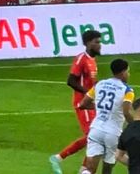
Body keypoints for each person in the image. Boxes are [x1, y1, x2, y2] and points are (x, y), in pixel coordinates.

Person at [50, 30, 103, 173]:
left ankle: (83, 169)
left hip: (91, 103)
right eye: (96, 42)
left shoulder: (92, 60)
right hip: (82, 104)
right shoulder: (81, 59)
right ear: (87, 43)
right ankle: (59, 158)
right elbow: (71, 80)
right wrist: (88, 93)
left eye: (100, 42)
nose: (100, 45)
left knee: (95, 137)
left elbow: (92, 82)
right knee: (92, 137)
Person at [73, 58, 135, 174]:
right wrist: (136, 125)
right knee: (107, 169)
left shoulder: (100, 84)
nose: (128, 74)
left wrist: (100, 107)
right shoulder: (127, 90)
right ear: (122, 73)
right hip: (113, 133)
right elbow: (126, 112)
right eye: (128, 71)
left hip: (96, 129)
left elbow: (82, 104)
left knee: (90, 169)